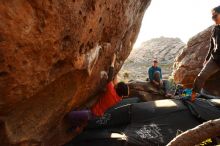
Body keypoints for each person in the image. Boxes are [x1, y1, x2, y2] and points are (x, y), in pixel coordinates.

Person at [68, 54, 129, 131]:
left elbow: (110, 78)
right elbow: (114, 81)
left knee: (71, 115)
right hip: (98, 114)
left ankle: (76, 127)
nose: (116, 84)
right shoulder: (119, 98)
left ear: (117, 88)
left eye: (117, 85)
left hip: (92, 113)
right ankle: (81, 123)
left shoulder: (111, 92)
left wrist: (113, 62)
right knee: (82, 112)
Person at [192, 6, 220, 100]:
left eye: (215, 16)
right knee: (201, 76)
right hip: (215, 59)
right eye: (212, 17)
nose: (213, 19)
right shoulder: (214, 29)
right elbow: (212, 46)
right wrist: (207, 59)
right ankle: (193, 97)